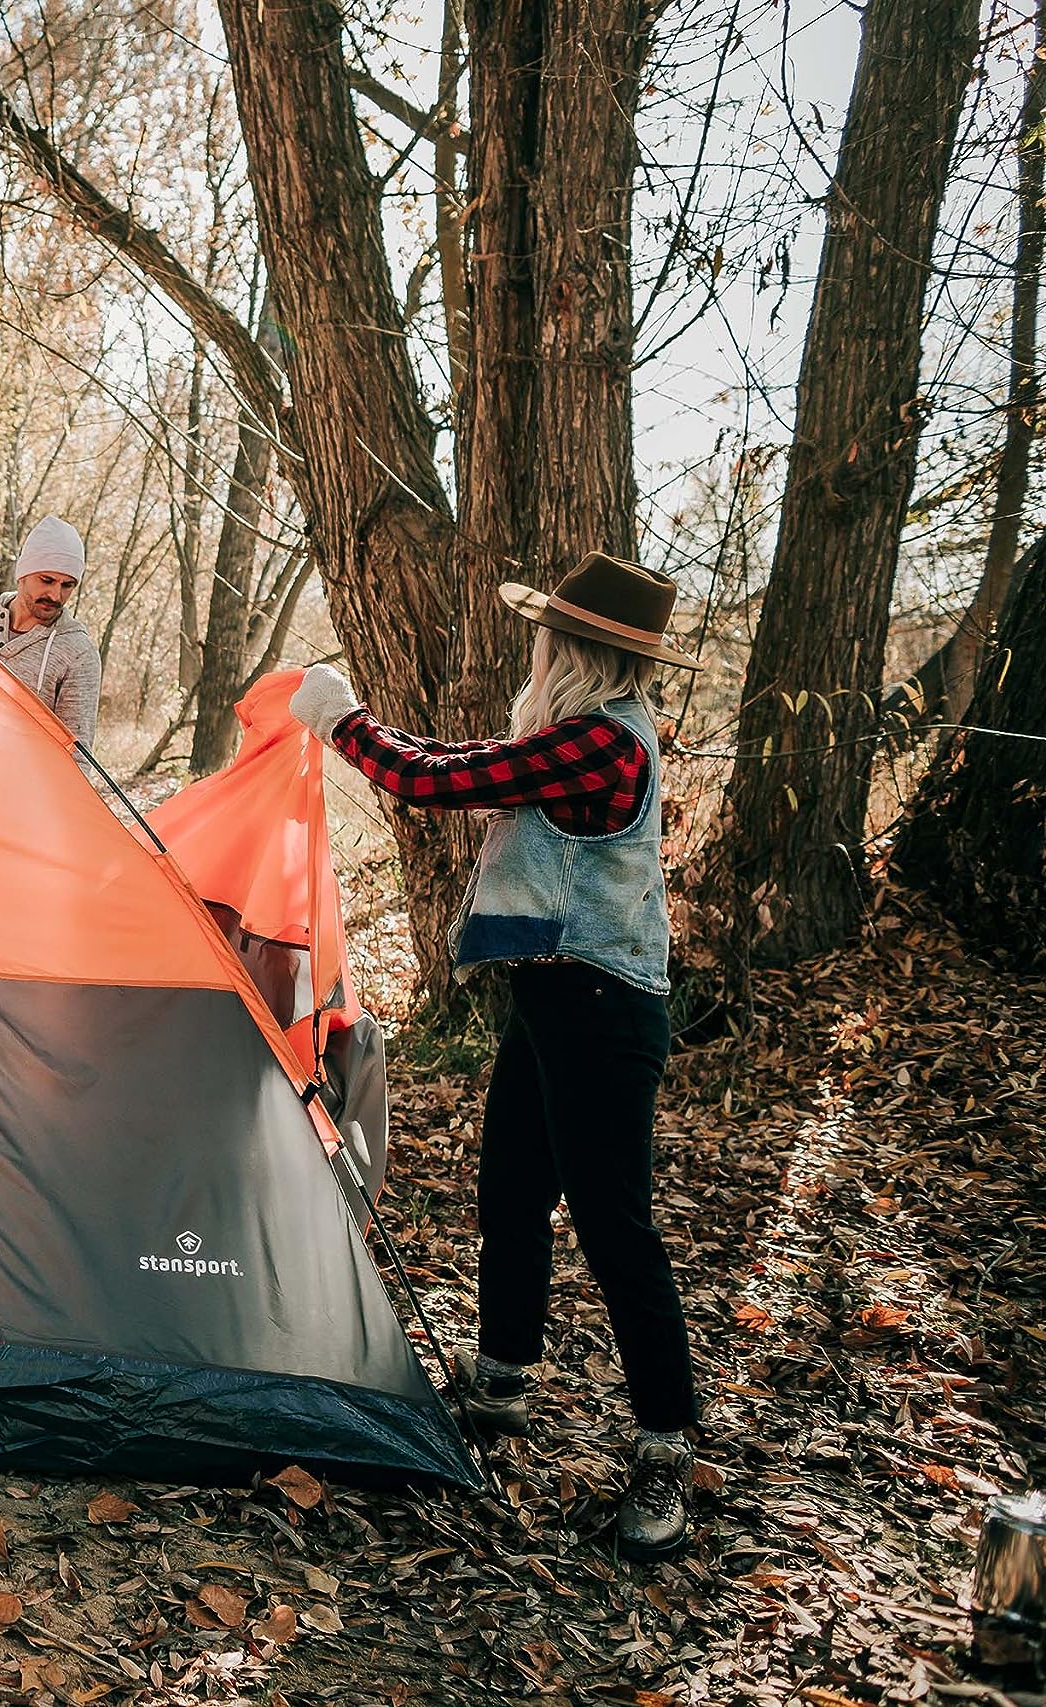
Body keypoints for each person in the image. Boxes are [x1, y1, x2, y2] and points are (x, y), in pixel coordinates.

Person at [286, 551, 703, 1562]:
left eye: (548, 636)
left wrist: (344, 722)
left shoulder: (602, 746)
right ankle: (504, 1373)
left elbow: (438, 781)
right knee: (511, 1189)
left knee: (615, 1228)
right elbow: (461, 764)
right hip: (557, 996)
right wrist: (366, 729)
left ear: (575, 651)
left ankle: (664, 1448)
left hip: (602, 1012)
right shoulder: (583, 737)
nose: (538, 647)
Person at [0, 517, 103, 746]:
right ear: (22, 574)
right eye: (47, 580)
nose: (55, 595)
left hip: (16, 781)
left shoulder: (78, 653)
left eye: (67, 585)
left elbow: (77, 755)